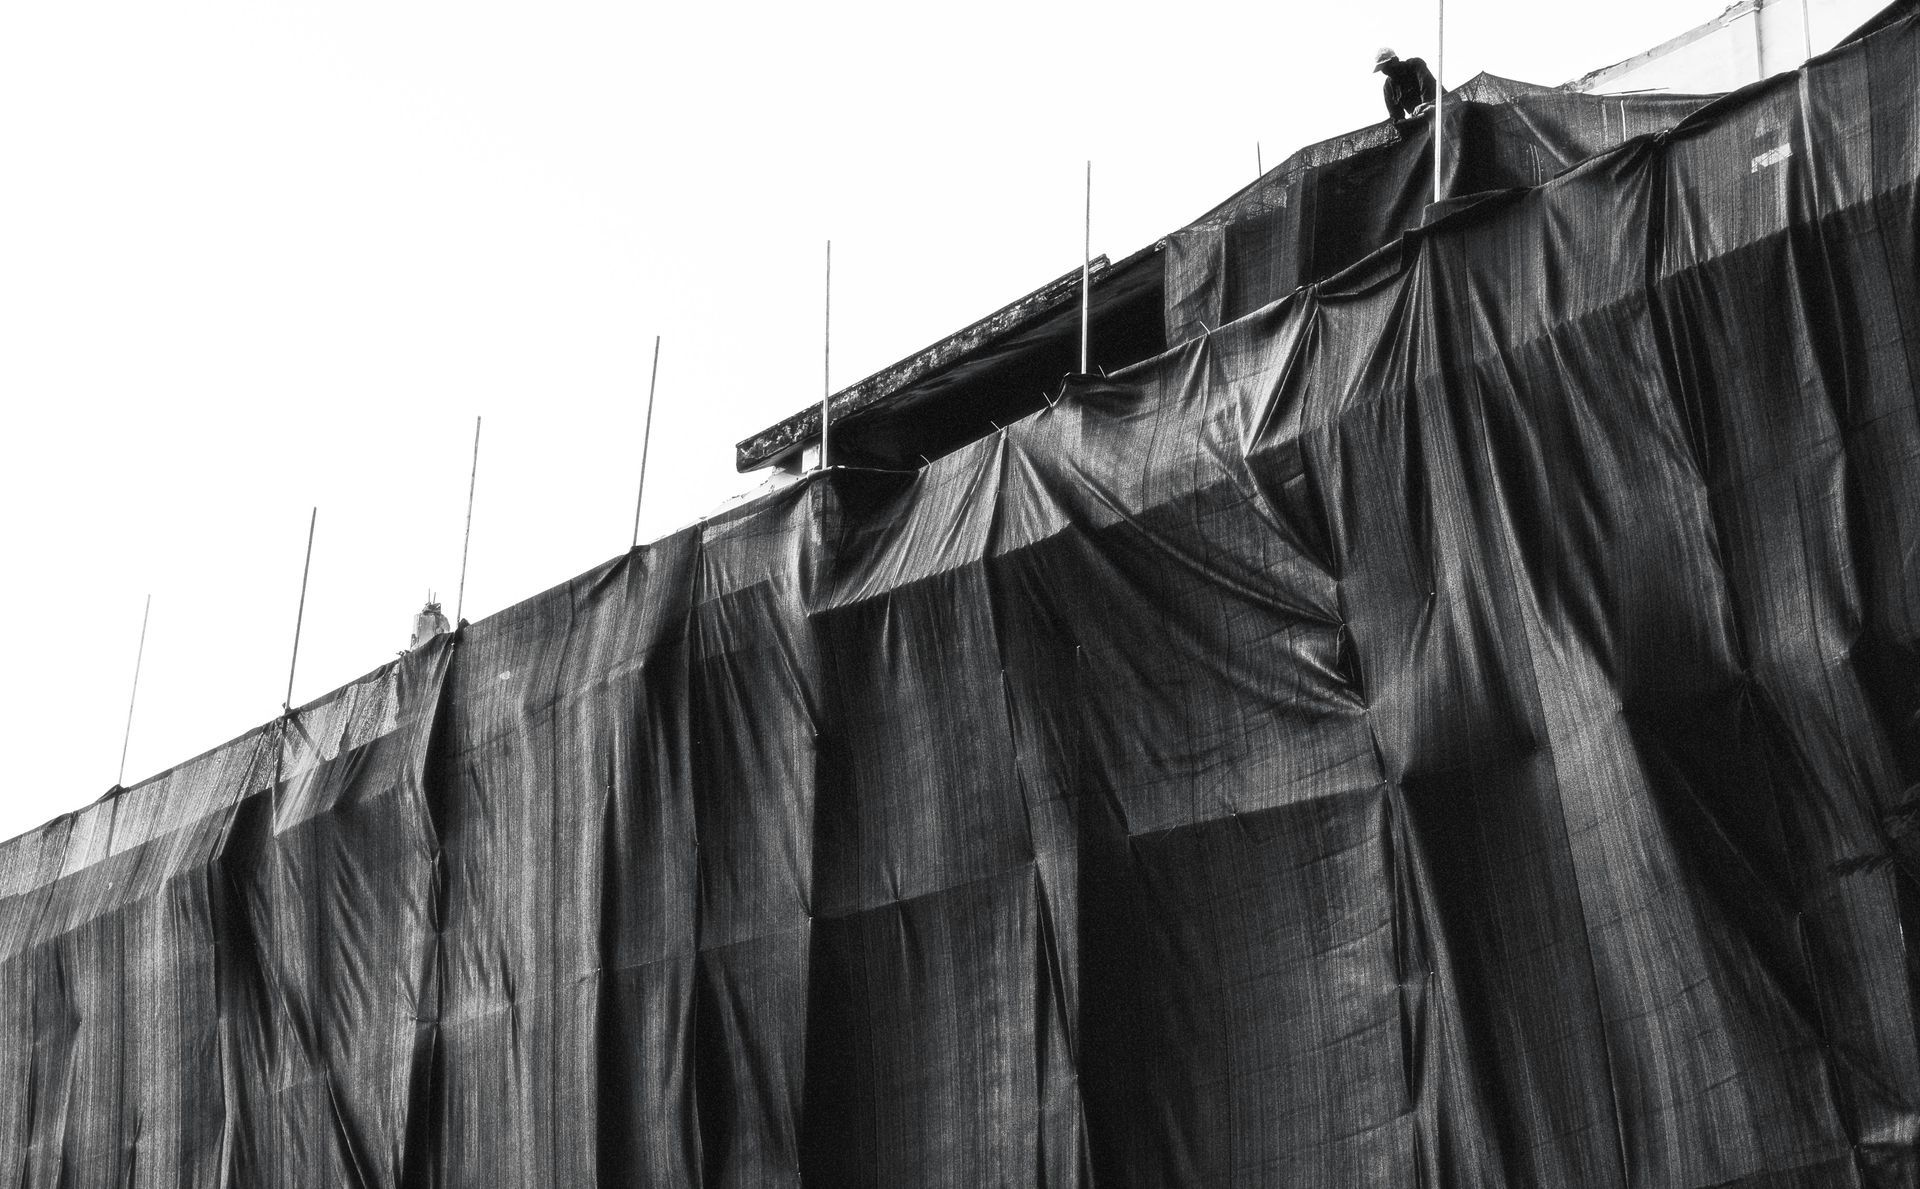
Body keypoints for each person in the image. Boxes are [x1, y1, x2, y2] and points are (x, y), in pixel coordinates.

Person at [1374, 48, 1437, 122]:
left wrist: (1425, 104)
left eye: (1388, 65)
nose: (1386, 70)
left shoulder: (1415, 64)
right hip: (1422, 120)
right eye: (1383, 69)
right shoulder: (1388, 87)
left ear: (1396, 60)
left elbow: (1427, 84)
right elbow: (1396, 116)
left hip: (1441, 107)